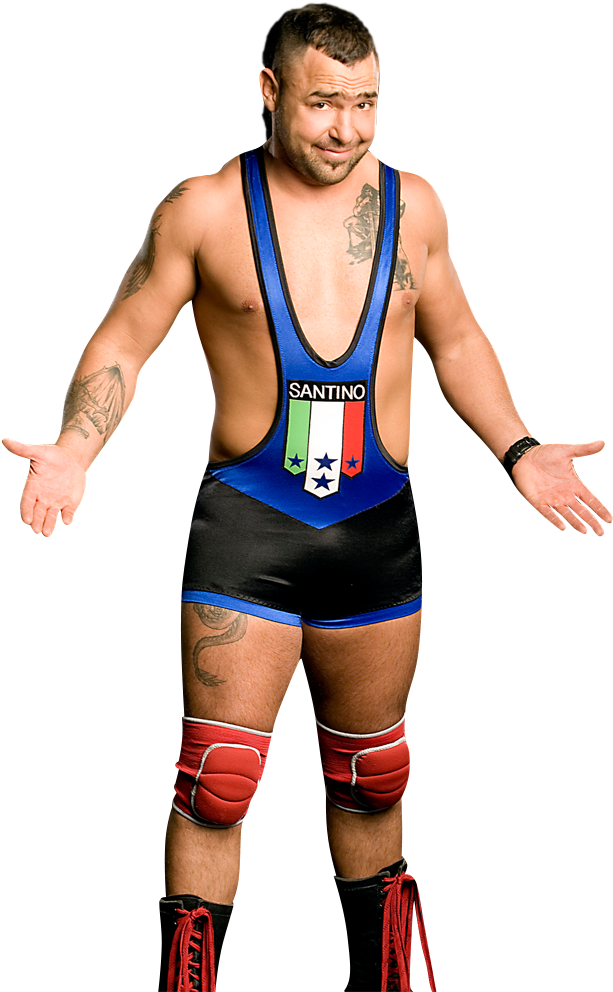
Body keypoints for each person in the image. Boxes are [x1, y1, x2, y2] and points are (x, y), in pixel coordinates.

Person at [3, 4, 610, 990]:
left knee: (373, 777)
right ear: (270, 90)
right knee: (216, 779)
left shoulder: (415, 207)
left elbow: (456, 338)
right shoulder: (202, 209)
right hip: (250, 526)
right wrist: (76, 446)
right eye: (324, 102)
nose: (345, 128)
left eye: (364, 104)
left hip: (377, 525)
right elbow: (123, 339)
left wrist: (520, 447)